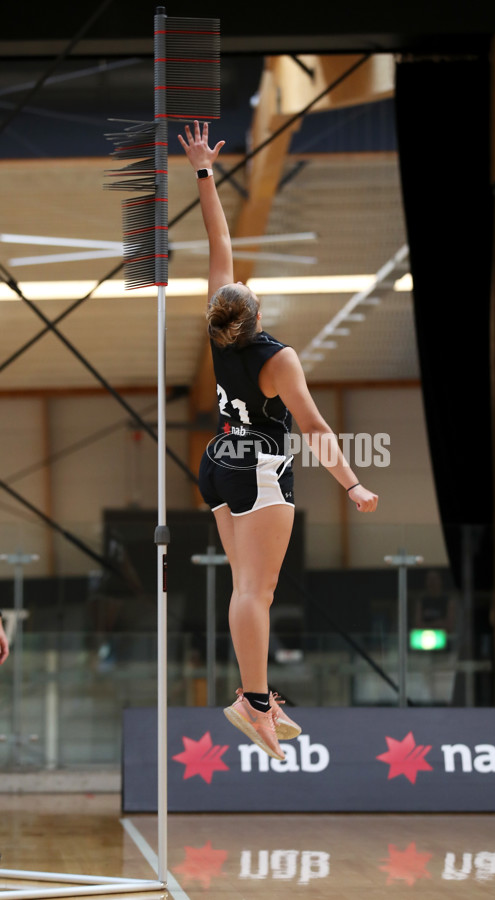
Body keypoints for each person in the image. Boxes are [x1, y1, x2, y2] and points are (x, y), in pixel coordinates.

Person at [178, 121, 379, 760]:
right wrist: (352, 482)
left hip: (217, 461)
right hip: (259, 469)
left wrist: (204, 173)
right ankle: (256, 701)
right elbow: (315, 428)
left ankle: (254, 695)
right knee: (254, 591)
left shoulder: (218, 326)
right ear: (255, 313)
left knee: (245, 585)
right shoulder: (276, 355)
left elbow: (218, 240)